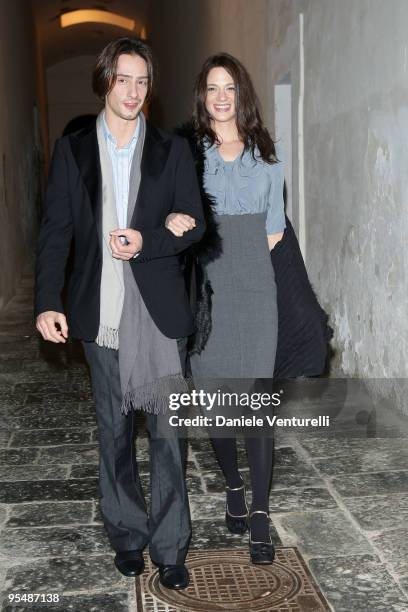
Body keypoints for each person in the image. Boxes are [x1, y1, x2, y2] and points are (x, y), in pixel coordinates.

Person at [35, 37, 205, 590]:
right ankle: (128, 535)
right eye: (123, 79)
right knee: (113, 432)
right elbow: (56, 229)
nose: (132, 91)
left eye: (142, 81)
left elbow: (194, 224)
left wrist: (149, 239)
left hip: (157, 317)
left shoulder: (172, 150)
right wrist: (46, 301)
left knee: (166, 432)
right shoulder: (75, 149)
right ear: (104, 79)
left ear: (149, 88)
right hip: (101, 312)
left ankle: (171, 544)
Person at [166, 53, 286, 565]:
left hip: (258, 289)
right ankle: (233, 484)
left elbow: (276, 227)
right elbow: (172, 212)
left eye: (230, 87)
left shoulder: (265, 153)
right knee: (215, 400)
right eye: (212, 88)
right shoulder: (188, 154)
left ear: (242, 95)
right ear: (202, 96)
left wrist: (250, 262)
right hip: (209, 292)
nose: (221, 96)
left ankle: (259, 512)